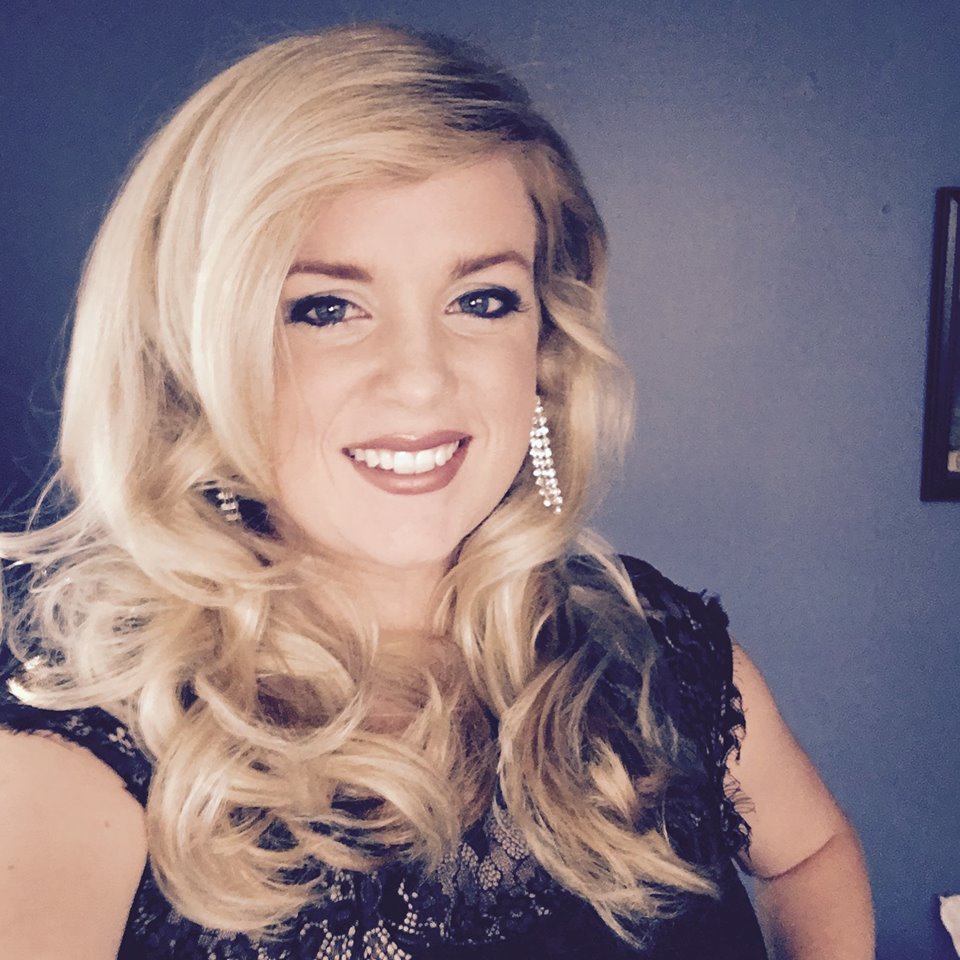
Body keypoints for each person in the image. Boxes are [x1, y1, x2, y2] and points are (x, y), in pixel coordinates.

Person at [0, 23, 873, 959]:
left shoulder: (654, 649)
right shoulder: (84, 754)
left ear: (544, 345)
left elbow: (810, 855)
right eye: (326, 308)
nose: (421, 380)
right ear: (190, 354)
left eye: (481, 300)